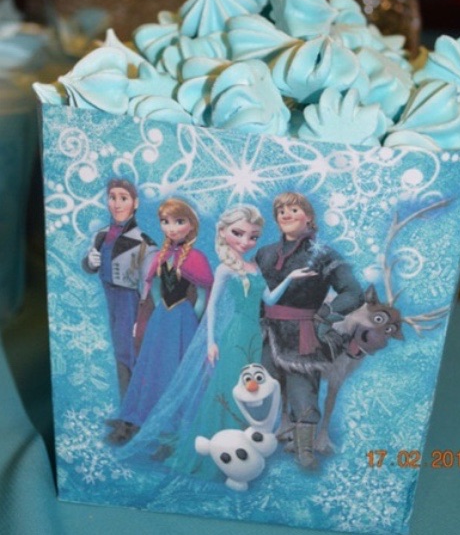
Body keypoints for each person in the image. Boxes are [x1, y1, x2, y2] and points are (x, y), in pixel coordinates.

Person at [117, 204, 314, 481]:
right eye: (238, 234)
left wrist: (290, 278)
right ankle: (222, 451)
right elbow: (211, 307)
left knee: (250, 389)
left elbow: (269, 299)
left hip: (254, 336)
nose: (246, 241)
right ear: (222, 232)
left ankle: (243, 448)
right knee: (230, 389)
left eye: (253, 237)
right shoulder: (224, 269)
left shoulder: (253, 267)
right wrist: (211, 341)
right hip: (235, 335)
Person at [255, 191, 364, 469]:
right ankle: (255, 443)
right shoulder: (264, 253)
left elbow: (353, 292)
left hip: (302, 333)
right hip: (266, 332)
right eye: (281, 211)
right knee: (259, 387)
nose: (287, 214)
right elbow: (255, 292)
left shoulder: (324, 255)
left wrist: (324, 317)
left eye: (294, 209)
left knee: (302, 389)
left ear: (309, 217)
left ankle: (304, 450)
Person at [106, 197, 213, 444]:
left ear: (191, 225)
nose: (171, 228)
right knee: (155, 367)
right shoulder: (161, 256)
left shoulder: (196, 258)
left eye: (179, 221)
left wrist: (193, 320)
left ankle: (175, 425)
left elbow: (203, 295)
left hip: (183, 320)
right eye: (165, 222)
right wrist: (156, 313)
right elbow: (154, 288)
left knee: (178, 368)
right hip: (161, 319)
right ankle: (145, 417)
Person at [82, 178, 157, 398]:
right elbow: (90, 266)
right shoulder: (102, 235)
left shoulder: (143, 241)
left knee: (130, 353)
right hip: (109, 299)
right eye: (112, 197)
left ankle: (136, 403)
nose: (117, 204)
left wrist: (142, 315)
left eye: (123, 198)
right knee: (118, 352)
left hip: (129, 300)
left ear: (135, 203)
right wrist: (90, 262)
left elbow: (150, 283)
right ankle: (127, 402)